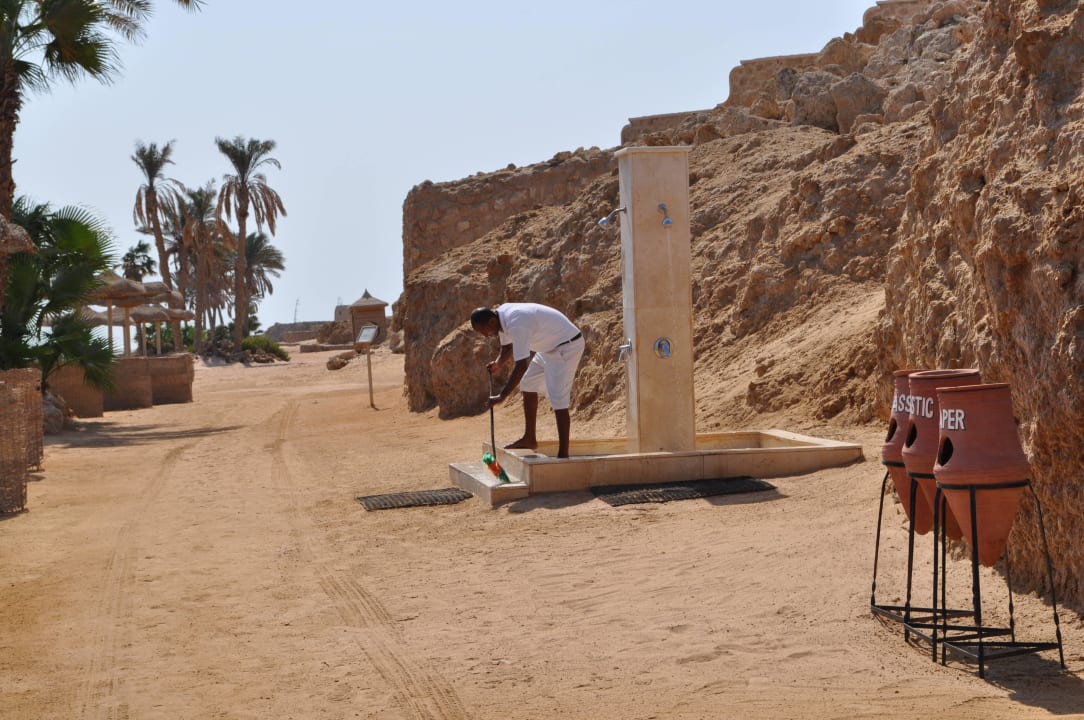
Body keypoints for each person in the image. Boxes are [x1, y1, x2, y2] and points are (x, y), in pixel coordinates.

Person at [470, 303, 585, 459]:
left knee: (558, 399)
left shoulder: (516, 322)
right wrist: (498, 363)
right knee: (528, 384)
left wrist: (502, 396)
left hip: (567, 346)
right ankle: (530, 439)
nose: (485, 335)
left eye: (483, 331)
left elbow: (521, 365)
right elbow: (507, 348)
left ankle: (563, 455)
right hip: (548, 348)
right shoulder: (500, 318)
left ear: (491, 322)